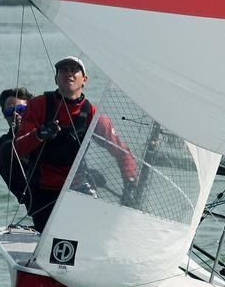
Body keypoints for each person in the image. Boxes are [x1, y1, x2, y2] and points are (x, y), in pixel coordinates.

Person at [14, 56, 138, 232]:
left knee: (89, 231)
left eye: (74, 70)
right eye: (64, 70)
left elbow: (121, 151)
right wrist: (39, 134)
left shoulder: (92, 114)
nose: (69, 74)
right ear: (56, 78)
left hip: (77, 186)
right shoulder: (38, 105)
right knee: (49, 235)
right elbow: (17, 149)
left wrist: (130, 182)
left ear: (84, 80)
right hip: (43, 187)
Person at [0, 87, 33, 201]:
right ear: (4, 115)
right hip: (39, 205)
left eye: (21, 110)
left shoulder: (43, 133)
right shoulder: (6, 146)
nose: (16, 115)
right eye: (10, 112)